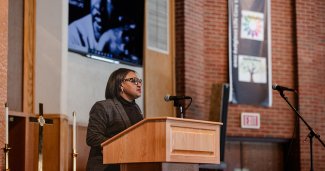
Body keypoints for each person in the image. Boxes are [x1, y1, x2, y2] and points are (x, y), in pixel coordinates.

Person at [86, 68, 143, 171]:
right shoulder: (103, 106)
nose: (139, 84)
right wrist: (122, 146)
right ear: (120, 85)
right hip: (107, 165)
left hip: (131, 163)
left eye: (139, 81)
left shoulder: (136, 109)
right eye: (134, 80)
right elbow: (93, 137)